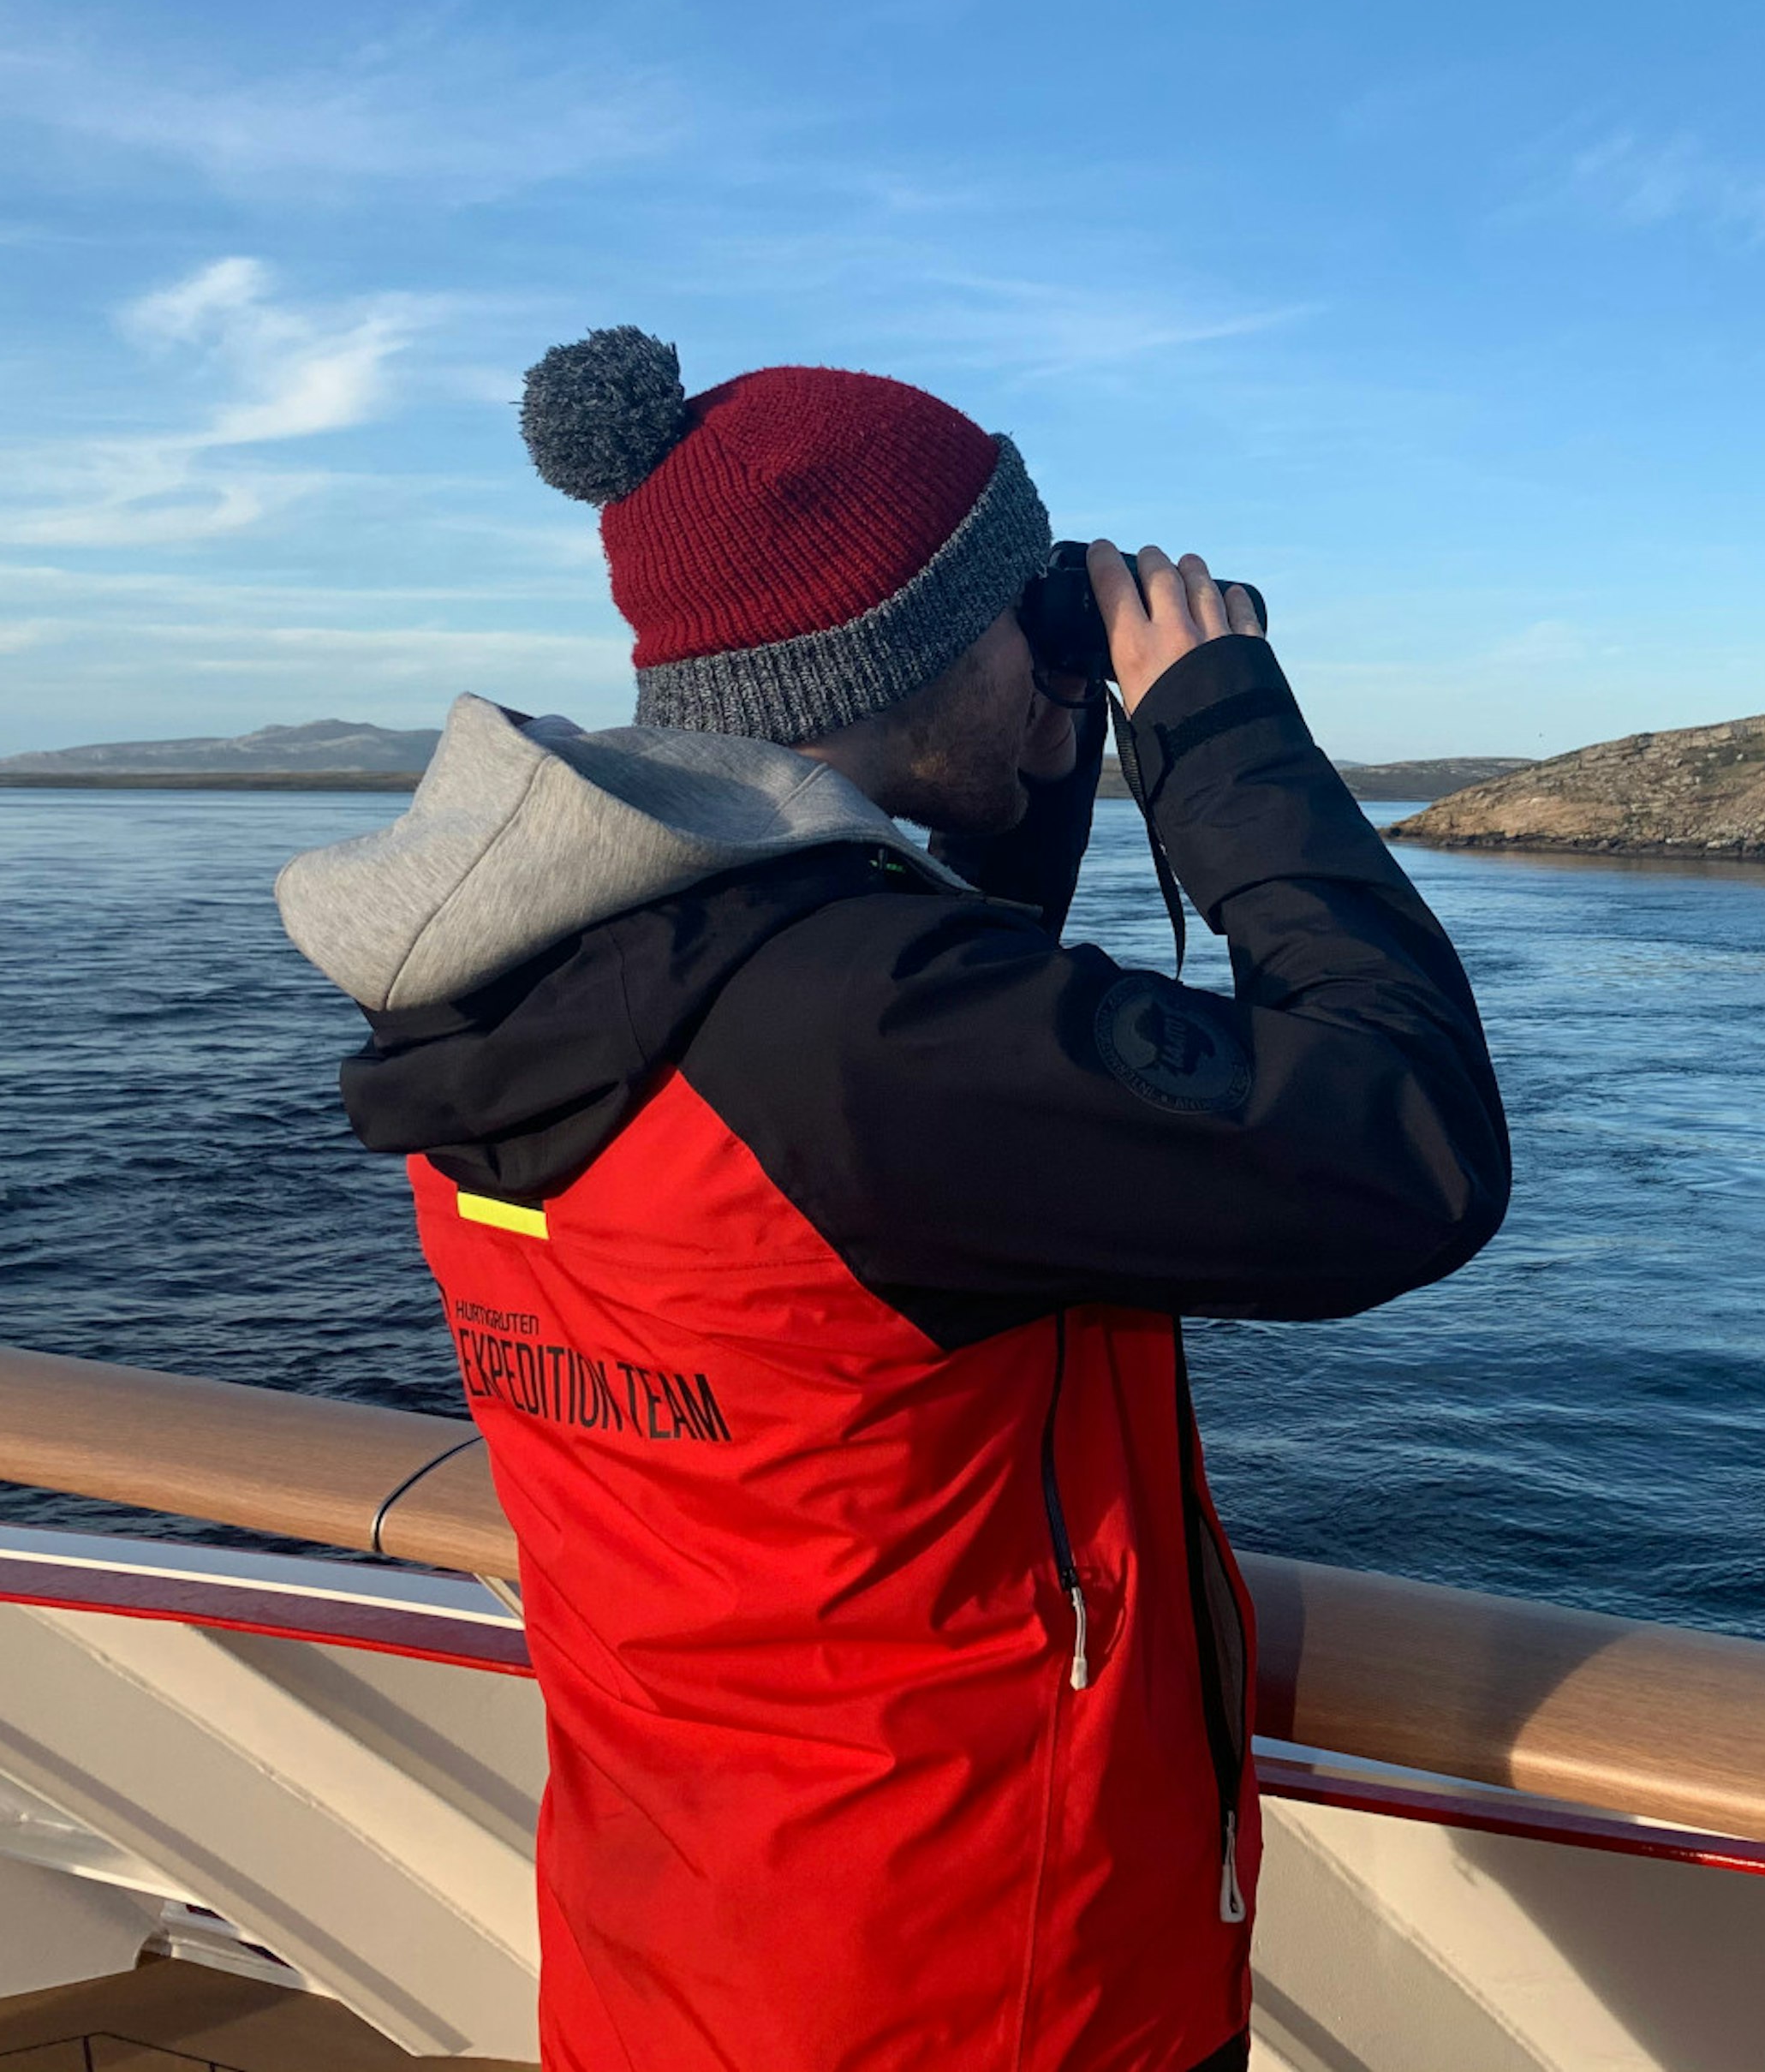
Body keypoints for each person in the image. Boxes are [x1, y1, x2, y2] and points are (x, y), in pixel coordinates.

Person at [276, 334, 1511, 2072]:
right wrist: (1225, 737)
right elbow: (1410, 1149)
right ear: (906, 651)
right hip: (983, 1994)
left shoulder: (530, 975)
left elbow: (932, 987)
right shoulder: (880, 1045)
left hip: (674, 1952)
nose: (1045, 665)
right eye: (1024, 623)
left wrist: (1016, 743)